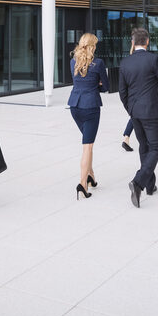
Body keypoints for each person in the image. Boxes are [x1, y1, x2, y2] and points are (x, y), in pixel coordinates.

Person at [118, 27, 158, 208]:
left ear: (133, 42)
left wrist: (130, 109)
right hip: (151, 112)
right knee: (155, 147)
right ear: (146, 41)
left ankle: (150, 185)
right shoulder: (153, 59)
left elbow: (122, 92)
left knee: (144, 147)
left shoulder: (125, 63)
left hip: (135, 113)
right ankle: (138, 182)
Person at [68, 33, 106, 199]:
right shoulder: (98, 63)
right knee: (88, 146)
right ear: (92, 46)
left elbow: (77, 81)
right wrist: (97, 84)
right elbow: (106, 87)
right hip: (90, 106)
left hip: (75, 106)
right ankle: (83, 184)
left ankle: (91, 176)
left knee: (86, 141)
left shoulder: (73, 62)